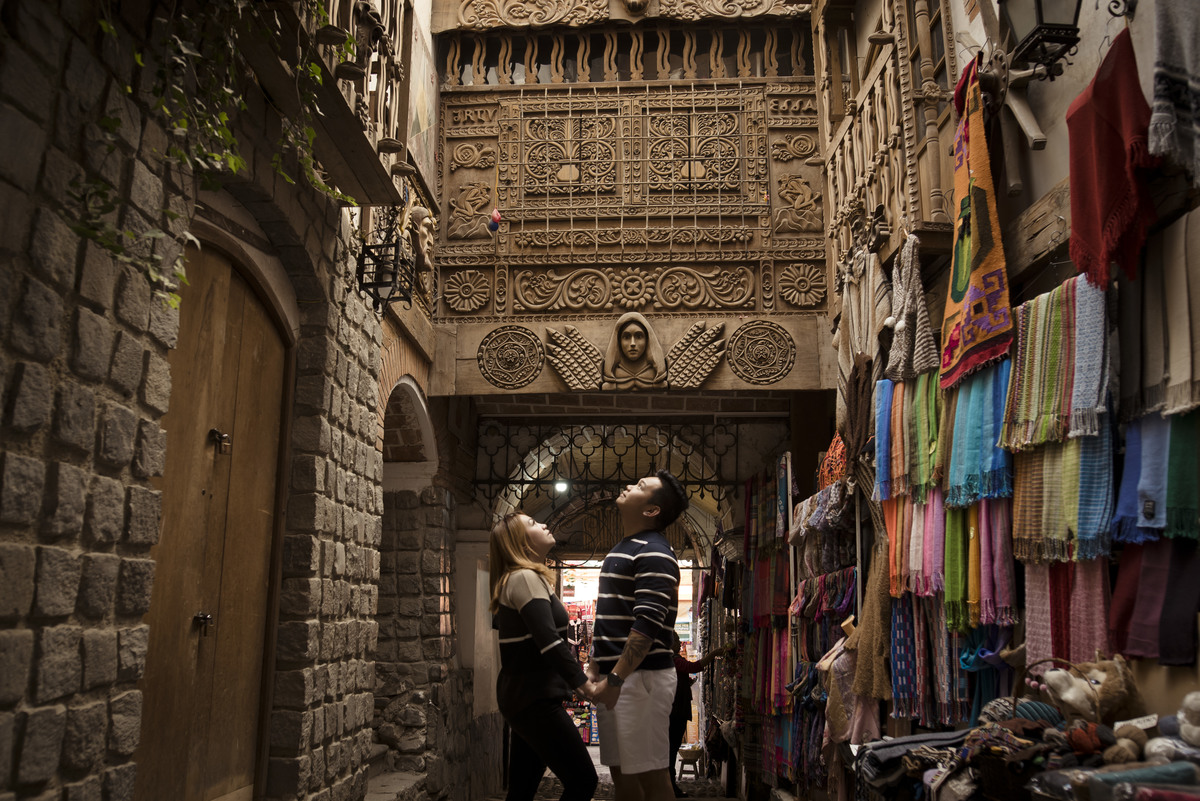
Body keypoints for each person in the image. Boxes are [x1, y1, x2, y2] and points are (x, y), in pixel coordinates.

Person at [590, 470, 689, 801]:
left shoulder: (655, 551)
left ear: (651, 510)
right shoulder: (625, 547)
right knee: (623, 777)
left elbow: (647, 625)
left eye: (640, 486)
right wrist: (596, 667)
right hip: (620, 678)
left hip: (639, 678)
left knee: (651, 776)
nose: (628, 486)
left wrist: (615, 679)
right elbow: (611, 617)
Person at [490, 511, 602, 801]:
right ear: (522, 543)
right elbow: (549, 642)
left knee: (521, 791)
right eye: (532, 523)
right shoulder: (524, 578)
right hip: (533, 699)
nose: (543, 524)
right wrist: (584, 686)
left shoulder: (525, 578)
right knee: (583, 781)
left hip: (527, 696)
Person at [667, 632, 730, 796]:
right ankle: (670, 786)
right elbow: (693, 667)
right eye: (676, 640)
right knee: (672, 749)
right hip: (676, 710)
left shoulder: (669, 661)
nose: (679, 643)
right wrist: (713, 654)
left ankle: (669, 785)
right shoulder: (674, 660)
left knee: (671, 748)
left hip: (675, 710)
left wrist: (685, 682)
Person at [601, 311, 667, 391]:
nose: (632, 343)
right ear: (618, 341)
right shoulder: (613, 375)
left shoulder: (656, 376)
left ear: (648, 340)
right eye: (626, 337)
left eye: (639, 337)